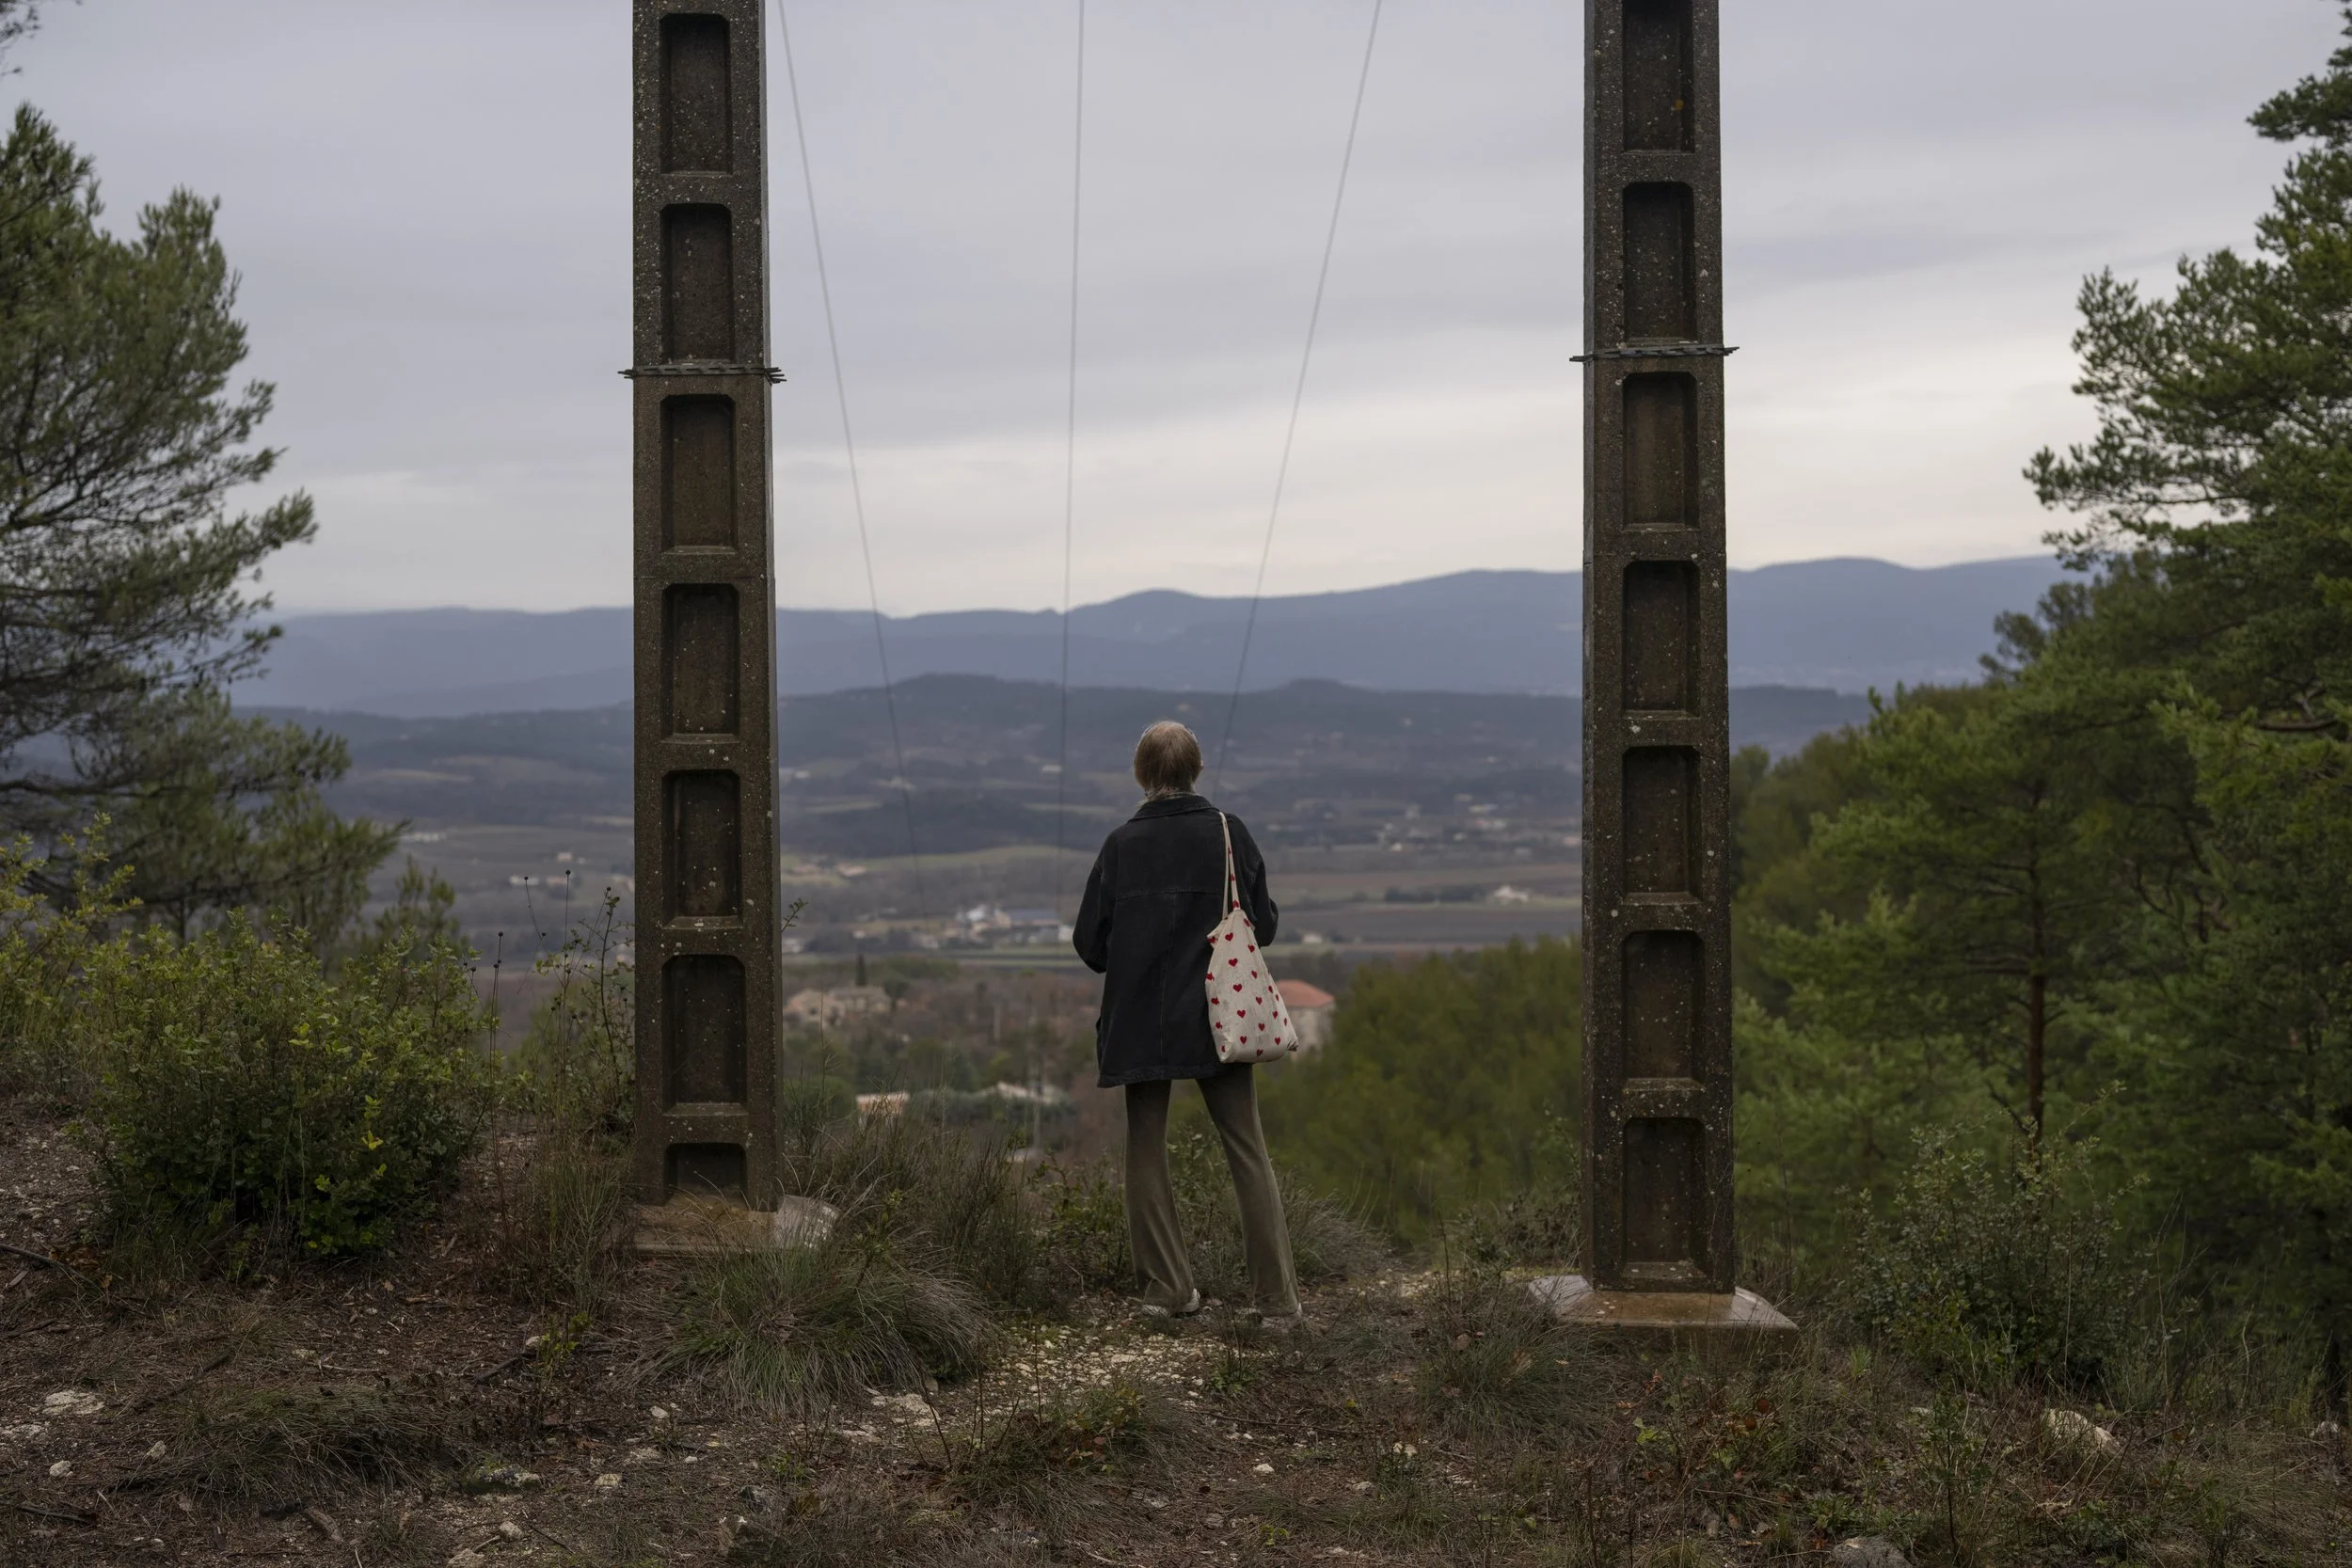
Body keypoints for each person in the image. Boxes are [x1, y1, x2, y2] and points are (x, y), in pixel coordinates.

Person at [1073, 721, 1302, 1328]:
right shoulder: (1229, 834)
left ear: (1143, 775)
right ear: (1195, 770)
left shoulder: (1120, 846)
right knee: (1246, 1146)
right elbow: (1265, 925)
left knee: (1145, 1146)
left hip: (1140, 1019)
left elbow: (1089, 944)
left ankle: (1166, 1290)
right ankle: (1276, 1301)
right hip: (1218, 1016)